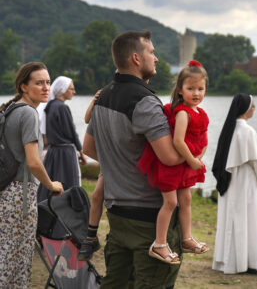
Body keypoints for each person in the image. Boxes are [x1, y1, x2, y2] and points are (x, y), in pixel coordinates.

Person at [83, 30, 184, 288]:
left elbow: (90, 149)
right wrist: (196, 153)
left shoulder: (103, 96)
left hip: (117, 213)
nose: (157, 58)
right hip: (149, 216)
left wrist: (121, 163)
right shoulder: (145, 101)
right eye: (152, 52)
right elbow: (170, 158)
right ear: (137, 59)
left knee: (115, 284)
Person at [138, 60, 209, 264]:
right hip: (173, 166)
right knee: (171, 202)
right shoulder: (183, 113)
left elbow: (202, 139)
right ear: (179, 90)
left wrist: (199, 157)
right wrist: (192, 160)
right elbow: (178, 141)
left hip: (186, 164)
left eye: (200, 88)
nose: (196, 93)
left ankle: (186, 238)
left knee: (186, 200)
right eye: (190, 88)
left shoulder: (200, 113)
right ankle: (159, 243)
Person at [0, 62, 64, 288]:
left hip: (5, 191)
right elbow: (34, 162)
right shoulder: (28, 113)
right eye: (39, 83)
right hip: (21, 195)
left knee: (6, 251)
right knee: (16, 257)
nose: (46, 87)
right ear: (23, 87)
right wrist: (51, 184)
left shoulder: (10, 109)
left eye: (48, 82)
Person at [211, 93, 257, 274]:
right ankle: (249, 262)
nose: (254, 109)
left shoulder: (229, 130)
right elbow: (255, 160)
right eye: (253, 106)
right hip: (246, 182)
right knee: (248, 219)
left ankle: (227, 261)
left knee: (232, 219)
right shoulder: (247, 130)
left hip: (231, 183)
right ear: (245, 109)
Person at [37, 76, 87, 202]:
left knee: (51, 187)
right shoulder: (62, 107)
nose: (74, 92)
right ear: (63, 89)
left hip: (53, 152)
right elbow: (72, 133)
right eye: (71, 89)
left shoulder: (50, 106)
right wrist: (81, 152)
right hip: (65, 154)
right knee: (69, 186)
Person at [77, 89, 103, 261]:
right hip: (107, 160)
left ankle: (91, 237)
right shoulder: (105, 97)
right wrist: (94, 99)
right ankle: (91, 236)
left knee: (98, 195)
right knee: (96, 196)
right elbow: (87, 119)